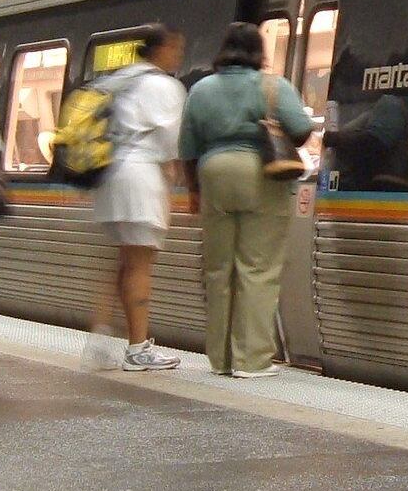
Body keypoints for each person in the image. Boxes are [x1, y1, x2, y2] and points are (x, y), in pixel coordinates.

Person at [180, 22, 314, 378]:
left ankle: (221, 359)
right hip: (260, 175)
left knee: (218, 269)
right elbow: (301, 130)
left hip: (213, 174)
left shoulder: (200, 90)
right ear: (259, 51)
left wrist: (194, 190)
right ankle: (251, 360)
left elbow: (187, 147)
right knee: (257, 268)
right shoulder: (273, 86)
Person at [88, 25, 188, 372]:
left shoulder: (119, 80)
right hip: (140, 177)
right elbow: (170, 143)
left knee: (125, 262)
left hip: (110, 176)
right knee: (140, 265)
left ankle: (101, 339)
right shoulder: (163, 86)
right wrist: (173, 182)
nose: (178, 56)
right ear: (160, 49)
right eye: (176, 49)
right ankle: (137, 349)